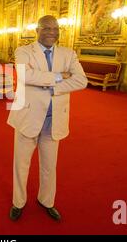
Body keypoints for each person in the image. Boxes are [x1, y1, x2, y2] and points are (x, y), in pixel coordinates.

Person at [7, 15, 88, 221]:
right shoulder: (23, 51)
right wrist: (61, 76)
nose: (52, 32)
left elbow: (81, 81)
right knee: (21, 164)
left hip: (54, 119)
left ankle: (46, 201)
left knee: (49, 166)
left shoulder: (68, 54)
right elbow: (26, 76)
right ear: (37, 30)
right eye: (47, 28)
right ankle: (18, 202)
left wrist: (51, 87)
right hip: (28, 116)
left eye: (56, 28)